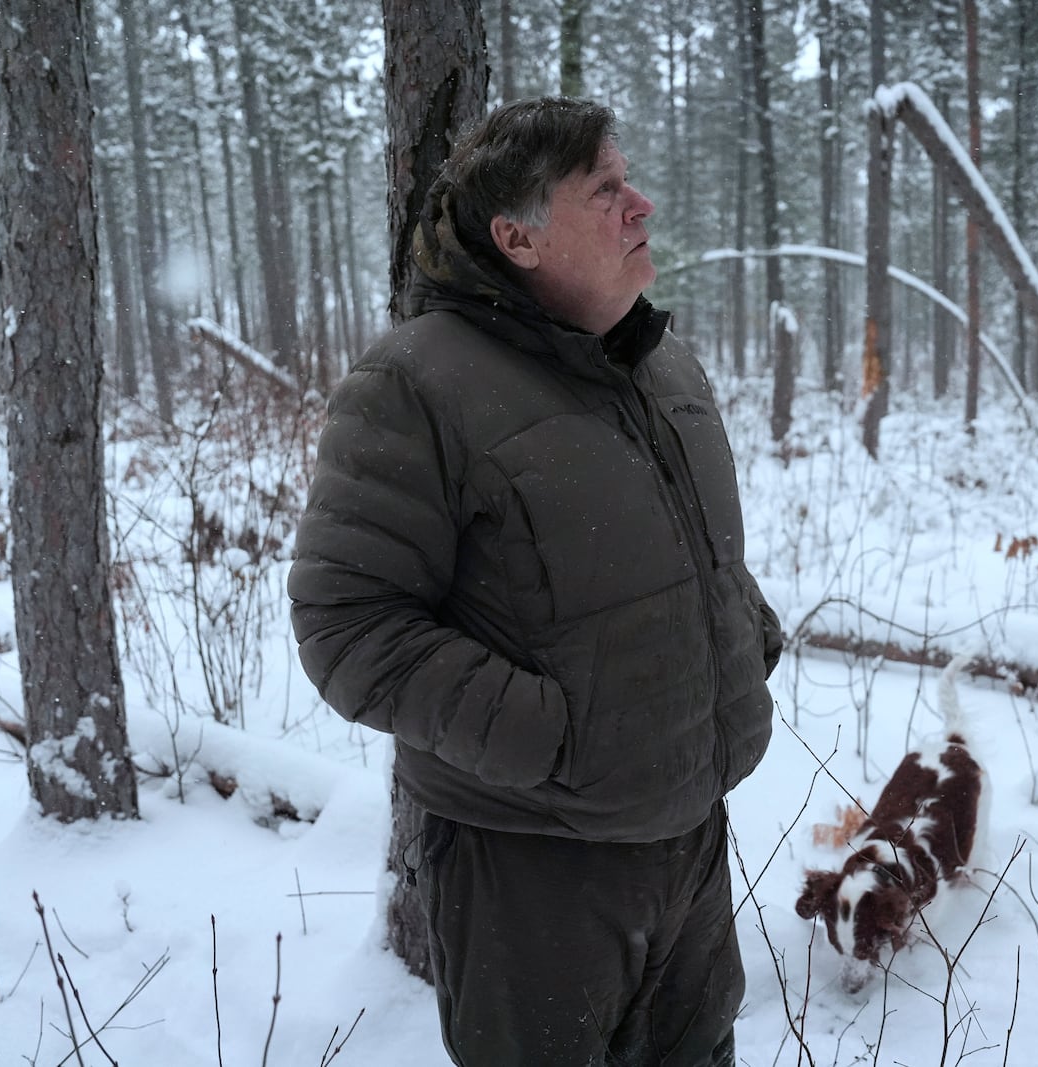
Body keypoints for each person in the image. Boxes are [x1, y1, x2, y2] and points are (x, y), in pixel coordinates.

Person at [288, 97, 782, 1067]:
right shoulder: (418, 383)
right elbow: (348, 624)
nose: (641, 204)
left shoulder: (659, 364)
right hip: (529, 862)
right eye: (605, 189)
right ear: (517, 236)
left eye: (628, 179)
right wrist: (557, 737)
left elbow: (687, 556)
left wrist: (741, 638)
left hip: (690, 830)